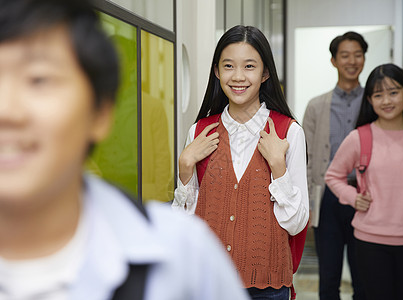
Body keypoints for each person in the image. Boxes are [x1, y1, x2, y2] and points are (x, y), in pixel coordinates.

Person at [0, 1, 251, 299]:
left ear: (100, 112)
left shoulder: (183, 258)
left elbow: (159, 165)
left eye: (38, 79)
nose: (7, 110)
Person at [172, 25, 309, 299]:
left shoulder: (288, 132)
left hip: (268, 287)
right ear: (216, 71)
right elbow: (182, 225)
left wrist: (278, 168)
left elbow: (296, 223)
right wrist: (185, 168)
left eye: (249, 66)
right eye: (228, 66)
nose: (238, 77)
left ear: (265, 72)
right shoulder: (200, 132)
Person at [325, 63, 403, 300]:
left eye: (393, 92)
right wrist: (353, 198)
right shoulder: (359, 137)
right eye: (378, 95)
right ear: (369, 100)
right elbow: (333, 175)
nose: (386, 101)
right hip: (371, 241)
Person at [302, 31, 368, 299]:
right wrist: (306, 202)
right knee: (328, 276)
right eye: (344, 55)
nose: (351, 61)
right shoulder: (317, 106)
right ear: (333, 61)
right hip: (327, 196)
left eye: (357, 54)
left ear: (364, 58)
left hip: (364, 196)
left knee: (364, 275)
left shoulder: (375, 103)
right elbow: (304, 159)